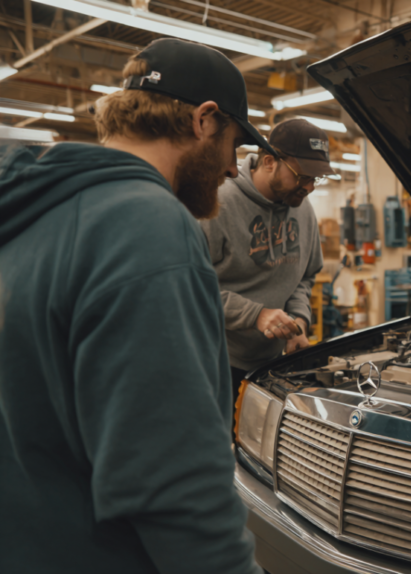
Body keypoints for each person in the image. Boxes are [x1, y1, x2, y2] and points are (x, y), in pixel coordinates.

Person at [0, 38, 266, 574]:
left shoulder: (35, 210)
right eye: (235, 145)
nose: (234, 170)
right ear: (205, 121)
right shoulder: (147, 226)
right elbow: (174, 485)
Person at [201, 118, 331, 397]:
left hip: (270, 365)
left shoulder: (302, 208)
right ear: (270, 161)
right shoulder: (216, 203)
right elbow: (191, 286)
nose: (309, 187)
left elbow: (303, 276)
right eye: (303, 176)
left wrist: (297, 322)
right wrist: (254, 315)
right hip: (213, 361)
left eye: (315, 179)